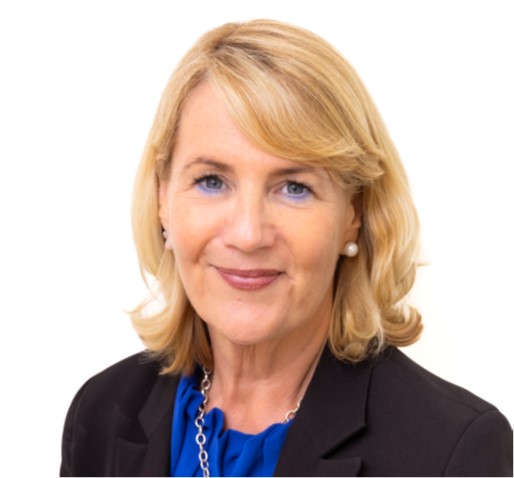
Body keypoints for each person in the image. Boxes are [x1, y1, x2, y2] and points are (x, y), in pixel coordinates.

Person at [60, 19, 512, 477]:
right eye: (212, 181)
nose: (248, 234)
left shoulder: (453, 450)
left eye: (294, 187)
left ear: (353, 212)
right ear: (163, 198)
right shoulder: (101, 413)